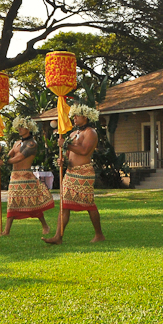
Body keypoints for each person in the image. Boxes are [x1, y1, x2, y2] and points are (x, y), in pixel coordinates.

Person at [43, 103, 105, 244]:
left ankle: (99, 234)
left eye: (77, 116)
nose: (74, 118)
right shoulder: (72, 134)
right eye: (74, 116)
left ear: (86, 117)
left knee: (89, 204)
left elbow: (84, 151)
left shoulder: (91, 132)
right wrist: (62, 160)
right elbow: (70, 153)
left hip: (84, 172)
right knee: (64, 205)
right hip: (70, 173)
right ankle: (58, 236)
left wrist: (65, 144)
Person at [0, 116, 54, 236]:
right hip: (15, 177)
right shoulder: (17, 143)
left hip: (26, 177)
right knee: (12, 202)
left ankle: (45, 226)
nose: (19, 129)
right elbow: (9, 155)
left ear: (29, 128)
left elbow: (20, 157)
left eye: (22, 127)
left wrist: (4, 162)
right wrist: (0, 151)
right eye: (19, 127)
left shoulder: (32, 144)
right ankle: (6, 231)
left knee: (33, 203)